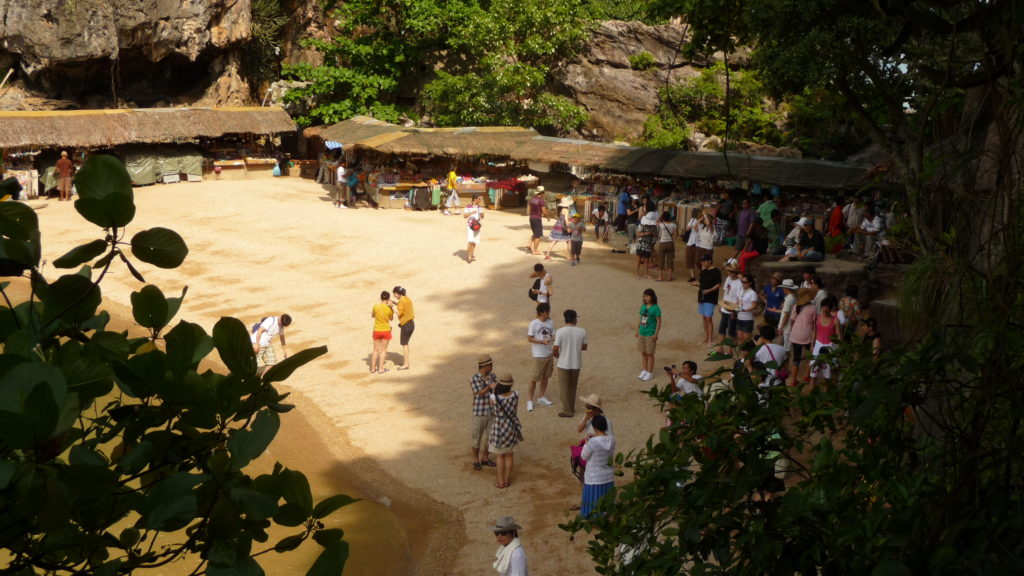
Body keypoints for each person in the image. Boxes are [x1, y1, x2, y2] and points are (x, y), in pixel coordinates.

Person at [489, 373, 522, 489]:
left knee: (500, 456)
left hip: (499, 427)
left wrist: (494, 390)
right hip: (511, 427)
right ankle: (507, 480)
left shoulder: (494, 397)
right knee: (509, 455)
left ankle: (501, 482)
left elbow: (492, 406)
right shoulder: (516, 395)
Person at [553, 309, 588, 417]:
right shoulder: (582, 331)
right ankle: (571, 408)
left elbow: (555, 349)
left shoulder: (560, 331)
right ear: (574, 319)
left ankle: (567, 410)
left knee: (564, 388)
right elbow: (584, 347)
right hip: (576, 363)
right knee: (573, 387)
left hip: (563, 364)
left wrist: (558, 356)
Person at [580, 414, 615, 518]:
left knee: (593, 500)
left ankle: (593, 517)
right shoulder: (612, 440)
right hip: (608, 476)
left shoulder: (592, 443)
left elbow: (583, 456)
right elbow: (604, 439)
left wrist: (586, 443)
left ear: (594, 427)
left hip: (594, 476)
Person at [470, 354, 498, 471]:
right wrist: (490, 386)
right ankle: (476, 459)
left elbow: (496, 391)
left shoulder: (493, 376)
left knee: (490, 437)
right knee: (476, 437)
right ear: (484, 366)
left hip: (491, 412)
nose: (492, 366)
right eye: (490, 364)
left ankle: (485, 458)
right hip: (479, 412)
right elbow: (479, 393)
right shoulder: (474, 378)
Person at [526, 303, 555, 412]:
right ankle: (529, 400)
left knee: (545, 377)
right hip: (539, 355)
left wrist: (551, 339)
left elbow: (552, 335)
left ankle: (541, 397)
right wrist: (541, 341)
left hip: (549, 354)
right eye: (548, 311)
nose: (549, 313)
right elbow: (529, 338)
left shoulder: (550, 322)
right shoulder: (533, 324)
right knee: (534, 378)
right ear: (542, 312)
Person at [809, 296, 842, 387]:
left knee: (828, 372)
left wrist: (838, 350)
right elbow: (814, 332)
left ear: (830, 308)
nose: (824, 309)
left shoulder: (835, 320)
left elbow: (839, 336)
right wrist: (812, 345)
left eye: (827, 307)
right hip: (818, 344)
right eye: (823, 306)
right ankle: (812, 391)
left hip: (831, 346)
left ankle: (827, 393)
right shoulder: (817, 318)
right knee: (813, 370)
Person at [788, 288, 817, 385]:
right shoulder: (813, 308)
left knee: (796, 358)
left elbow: (792, 321)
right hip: (807, 335)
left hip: (795, 334)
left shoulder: (796, 306)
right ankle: (806, 375)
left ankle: (793, 380)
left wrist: (793, 330)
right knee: (811, 356)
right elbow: (815, 323)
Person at [635, 288, 662, 381]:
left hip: (650, 334)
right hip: (642, 333)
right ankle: (645, 370)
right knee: (643, 353)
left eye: (647, 296)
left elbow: (659, 322)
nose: (645, 298)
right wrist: (637, 330)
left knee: (650, 354)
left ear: (652, 296)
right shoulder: (643, 307)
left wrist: (656, 334)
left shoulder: (656, 308)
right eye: (644, 296)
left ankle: (650, 373)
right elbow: (641, 318)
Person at [751, 324, 788, 390]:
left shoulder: (758, 350)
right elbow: (785, 367)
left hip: (764, 384)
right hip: (778, 382)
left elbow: (751, 365)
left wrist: (756, 345)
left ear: (762, 337)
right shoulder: (782, 349)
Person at [716, 263, 743, 354]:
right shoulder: (728, 279)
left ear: (736, 273)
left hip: (732, 310)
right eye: (729, 271)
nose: (729, 273)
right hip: (725, 308)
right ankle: (720, 348)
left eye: (731, 271)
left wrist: (734, 312)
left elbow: (739, 299)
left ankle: (731, 350)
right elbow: (725, 293)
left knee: (731, 331)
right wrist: (721, 305)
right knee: (722, 329)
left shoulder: (739, 283)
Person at [696, 254, 721, 345]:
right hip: (702, 296)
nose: (703, 263)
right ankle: (707, 337)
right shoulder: (704, 271)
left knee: (708, 318)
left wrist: (709, 290)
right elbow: (701, 283)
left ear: (710, 261)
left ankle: (710, 338)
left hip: (711, 297)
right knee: (704, 317)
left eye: (704, 261)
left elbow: (718, 284)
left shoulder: (716, 271)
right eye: (702, 261)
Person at [370, 291, 394, 374]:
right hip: (386, 330)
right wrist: (391, 307)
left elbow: (373, 315)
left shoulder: (375, 306)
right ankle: (380, 369)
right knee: (383, 350)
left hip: (377, 330)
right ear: (387, 299)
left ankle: (373, 369)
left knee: (375, 350)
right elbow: (391, 318)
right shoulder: (389, 308)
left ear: (381, 298)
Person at [391, 286, 414, 370]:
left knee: (404, 344)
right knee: (406, 343)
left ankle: (406, 364)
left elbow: (399, 313)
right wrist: (395, 303)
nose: (394, 295)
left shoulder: (401, 301)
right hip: (411, 323)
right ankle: (405, 361)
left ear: (397, 294)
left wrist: (391, 306)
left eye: (394, 294)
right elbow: (403, 305)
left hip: (406, 325)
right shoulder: (406, 298)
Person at [544, 197, 573, 261]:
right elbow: (565, 220)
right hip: (563, 227)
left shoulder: (560, 209)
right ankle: (571, 256)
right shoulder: (566, 210)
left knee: (554, 241)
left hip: (557, 226)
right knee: (568, 241)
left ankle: (547, 254)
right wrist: (569, 226)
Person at [736, 273, 759, 346]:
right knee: (740, 338)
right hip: (739, 317)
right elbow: (738, 302)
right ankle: (743, 356)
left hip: (747, 319)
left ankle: (747, 356)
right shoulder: (741, 291)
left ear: (750, 283)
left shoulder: (752, 293)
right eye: (742, 281)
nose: (743, 283)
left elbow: (754, 306)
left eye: (745, 282)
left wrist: (744, 310)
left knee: (746, 340)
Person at [654, 211, 677, 282]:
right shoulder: (673, 225)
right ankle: (669, 277)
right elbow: (675, 235)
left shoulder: (662, 225)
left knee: (661, 260)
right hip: (670, 242)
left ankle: (660, 277)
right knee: (670, 260)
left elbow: (656, 221)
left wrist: (661, 217)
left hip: (662, 242)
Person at [777, 278, 799, 353]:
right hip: (789, 326)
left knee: (786, 349)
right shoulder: (794, 298)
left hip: (787, 328)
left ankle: (785, 364)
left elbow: (786, 316)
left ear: (786, 288)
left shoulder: (789, 299)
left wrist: (781, 328)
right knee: (784, 347)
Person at [635, 210, 658, 278]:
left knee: (646, 260)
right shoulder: (641, 225)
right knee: (639, 259)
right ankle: (637, 273)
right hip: (641, 243)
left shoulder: (653, 227)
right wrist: (646, 233)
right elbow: (637, 234)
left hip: (648, 244)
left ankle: (646, 273)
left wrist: (652, 234)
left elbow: (656, 235)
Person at [526, 187, 548, 255]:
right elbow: (544, 211)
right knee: (538, 235)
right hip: (537, 218)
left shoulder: (532, 199)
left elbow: (529, 207)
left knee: (535, 232)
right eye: (544, 193)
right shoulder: (541, 201)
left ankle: (529, 244)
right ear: (542, 193)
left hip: (531, 217)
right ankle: (535, 251)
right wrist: (548, 216)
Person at [463, 194, 485, 263]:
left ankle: (471, 254)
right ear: (475, 199)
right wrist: (471, 212)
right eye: (479, 198)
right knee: (470, 240)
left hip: (477, 226)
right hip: (470, 225)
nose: (480, 200)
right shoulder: (468, 206)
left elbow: (482, 217)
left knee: (474, 241)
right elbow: (464, 216)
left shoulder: (479, 207)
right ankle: (469, 256)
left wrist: (482, 214)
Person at [683, 207, 703, 282]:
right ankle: (692, 276)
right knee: (690, 260)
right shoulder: (692, 220)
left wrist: (695, 223)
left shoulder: (702, 221)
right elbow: (687, 229)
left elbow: (697, 230)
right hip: (691, 242)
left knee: (698, 260)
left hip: (699, 243)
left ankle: (702, 272)